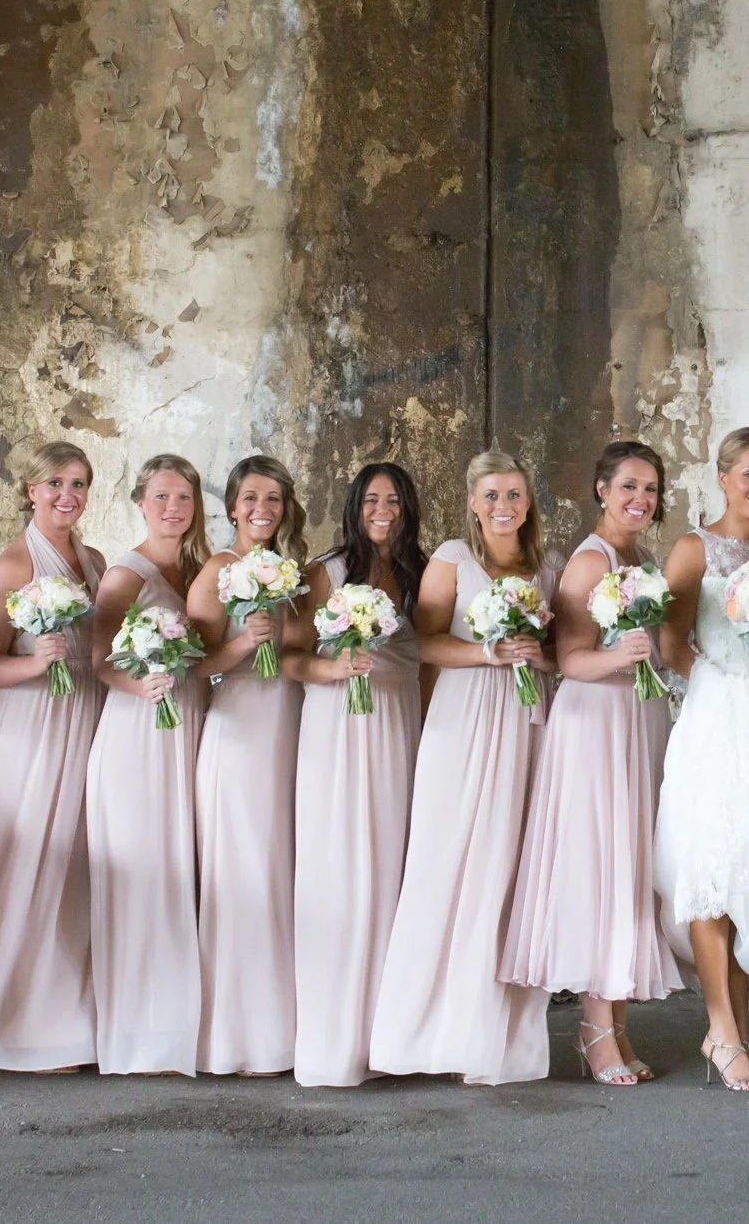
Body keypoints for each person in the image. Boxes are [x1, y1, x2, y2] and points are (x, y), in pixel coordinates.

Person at [369, 451, 560, 1085]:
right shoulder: (453, 557)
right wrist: (488, 649)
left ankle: (498, 1040)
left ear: (528, 501)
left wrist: (539, 654)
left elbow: (562, 652)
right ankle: (423, 1034)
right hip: (464, 719)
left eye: (514, 494)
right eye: (491, 495)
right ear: (473, 503)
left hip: (528, 724)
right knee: (448, 863)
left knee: (511, 869)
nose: (503, 505)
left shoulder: (549, 567)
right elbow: (418, 642)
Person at [505, 441, 682, 1084]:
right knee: (602, 867)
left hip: (638, 722)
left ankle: (616, 1026)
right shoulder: (588, 561)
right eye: (629, 487)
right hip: (595, 725)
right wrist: (625, 655)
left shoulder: (643, 559)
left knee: (629, 868)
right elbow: (570, 659)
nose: (641, 499)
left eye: (651, 489)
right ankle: (594, 1029)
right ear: (601, 490)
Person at [0, 440, 106, 1072]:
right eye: (54, 485)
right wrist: (33, 660)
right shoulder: (12, 565)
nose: (66, 496)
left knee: (73, 865)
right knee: (20, 863)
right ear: (30, 491)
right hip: (27, 726)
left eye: (78, 484)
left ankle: (62, 1018)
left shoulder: (92, 560)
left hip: (82, 717)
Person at [655, 430, 749, 1092]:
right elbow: (669, 639)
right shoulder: (694, 546)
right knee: (709, 871)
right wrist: (719, 688)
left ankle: (739, 1024)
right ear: (722, 475)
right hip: (714, 723)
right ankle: (719, 1030)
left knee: (747, 875)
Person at [289, 461, 428, 1088]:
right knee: (342, 862)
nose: (383, 510)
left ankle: (390, 1031)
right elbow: (292, 657)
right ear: (354, 505)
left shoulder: (418, 571)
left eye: (394, 501)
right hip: (339, 722)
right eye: (372, 499)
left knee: (393, 862)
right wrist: (335, 669)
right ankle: (333, 1040)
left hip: (399, 716)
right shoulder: (328, 571)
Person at [84, 455, 211, 1076]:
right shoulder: (126, 571)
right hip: (141, 730)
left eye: (183, 497)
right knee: (144, 872)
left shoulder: (198, 567)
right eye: (161, 496)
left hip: (190, 725)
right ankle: (139, 1037)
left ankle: (181, 1024)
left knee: (181, 869)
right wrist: (141, 689)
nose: (172, 508)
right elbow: (101, 658)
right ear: (140, 501)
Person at [185, 455, 309, 1076]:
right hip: (236, 731)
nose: (263, 510)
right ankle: (235, 1036)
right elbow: (195, 662)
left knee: (284, 866)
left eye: (275, 500)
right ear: (232, 506)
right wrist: (242, 642)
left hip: (289, 724)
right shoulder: (216, 570)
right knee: (243, 868)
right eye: (251, 499)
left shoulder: (293, 573)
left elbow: (302, 651)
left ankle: (285, 1030)